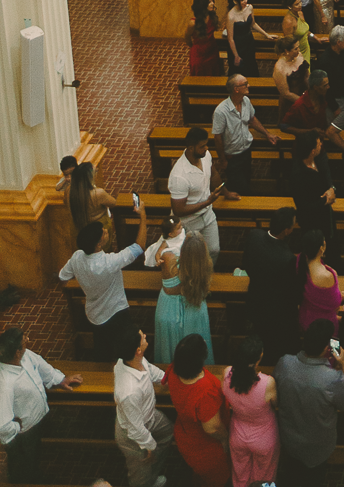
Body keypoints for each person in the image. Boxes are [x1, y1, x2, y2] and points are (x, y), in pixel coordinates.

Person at [58, 206, 147, 361]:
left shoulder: (77, 257)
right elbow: (139, 247)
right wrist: (143, 216)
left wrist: (87, 282)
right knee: (125, 350)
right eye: (104, 232)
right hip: (117, 312)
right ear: (98, 244)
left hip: (95, 314)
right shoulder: (109, 262)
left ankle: (103, 369)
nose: (106, 230)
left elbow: (63, 277)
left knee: (102, 349)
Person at [274, 318, 344, 486]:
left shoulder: (285, 363)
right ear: (327, 349)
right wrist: (343, 367)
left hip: (289, 439)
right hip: (318, 447)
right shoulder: (331, 378)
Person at [0, 326, 80, 483]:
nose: (28, 340)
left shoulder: (25, 355)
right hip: (25, 434)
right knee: (24, 465)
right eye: (25, 341)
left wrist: (60, 379)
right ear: (16, 352)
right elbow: (2, 426)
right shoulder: (5, 384)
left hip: (38, 418)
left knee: (36, 455)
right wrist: (19, 428)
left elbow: (42, 366)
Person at [164, 332, 229, 486]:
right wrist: (226, 439)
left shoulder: (174, 371)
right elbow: (212, 429)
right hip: (206, 449)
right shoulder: (205, 392)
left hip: (186, 433)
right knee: (217, 480)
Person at [113, 322, 172, 487]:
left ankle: (154, 473)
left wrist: (166, 379)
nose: (145, 336)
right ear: (138, 350)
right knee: (140, 471)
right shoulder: (128, 392)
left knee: (167, 433)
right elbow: (135, 427)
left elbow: (150, 370)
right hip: (133, 434)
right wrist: (149, 446)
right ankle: (148, 481)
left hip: (150, 416)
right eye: (142, 337)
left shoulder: (132, 359)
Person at [168, 125, 235, 263]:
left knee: (214, 250)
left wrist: (225, 192)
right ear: (191, 148)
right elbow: (178, 210)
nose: (207, 148)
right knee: (192, 257)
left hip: (208, 215)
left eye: (206, 145)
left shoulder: (205, 156)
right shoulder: (179, 176)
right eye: (202, 146)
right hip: (189, 222)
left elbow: (214, 174)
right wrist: (207, 202)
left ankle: (208, 274)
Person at [221, 333, 280, 487]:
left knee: (240, 475)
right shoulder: (267, 383)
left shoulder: (227, 374)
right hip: (264, 437)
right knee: (264, 478)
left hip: (238, 434)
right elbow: (276, 404)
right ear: (260, 357)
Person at [241, 209, 298, 364]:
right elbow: (291, 289)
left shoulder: (254, 236)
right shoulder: (287, 259)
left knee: (260, 335)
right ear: (286, 231)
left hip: (255, 300)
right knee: (274, 344)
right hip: (276, 310)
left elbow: (245, 263)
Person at [153, 228, 214, 365]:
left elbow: (158, 251)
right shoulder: (205, 266)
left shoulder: (168, 259)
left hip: (169, 311)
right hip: (194, 311)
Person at [211, 74, 277, 195]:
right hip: (232, 157)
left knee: (246, 180)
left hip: (246, 152)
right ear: (236, 89)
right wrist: (222, 159)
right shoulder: (221, 111)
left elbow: (252, 119)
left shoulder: (246, 101)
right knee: (243, 189)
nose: (249, 86)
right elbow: (217, 137)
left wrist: (267, 134)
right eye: (245, 84)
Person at [290, 132, 337, 250]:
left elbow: (327, 176)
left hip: (326, 215)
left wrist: (331, 188)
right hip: (311, 220)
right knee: (315, 248)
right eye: (318, 143)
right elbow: (303, 206)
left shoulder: (319, 159)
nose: (321, 144)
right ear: (312, 151)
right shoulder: (298, 174)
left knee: (331, 244)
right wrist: (325, 200)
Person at [296, 228, 343, 334]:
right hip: (325, 327)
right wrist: (341, 296)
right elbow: (335, 303)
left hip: (305, 319)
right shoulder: (327, 276)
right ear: (322, 248)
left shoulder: (300, 261)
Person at [225, 0, 273, 76]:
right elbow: (230, 38)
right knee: (239, 70)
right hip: (238, 46)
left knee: (251, 66)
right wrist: (236, 55)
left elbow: (253, 24)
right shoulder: (231, 16)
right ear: (235, 1)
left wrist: (266, 34)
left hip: (249, 42)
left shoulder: (250, 8)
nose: (245, 1)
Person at [67, 161, 117, 247]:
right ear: (89, 177)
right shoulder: (98, 193)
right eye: (95, 171)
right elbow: (114, 203)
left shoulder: (69, 192)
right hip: (98, 230)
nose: (97, 172)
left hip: (78, 228)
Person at [316, 23, 344, 111]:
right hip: (334, 100)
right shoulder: (325, 61)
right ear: (338, 42)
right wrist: (335, 107)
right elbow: (326, 88)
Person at [185, 0, 223, 77]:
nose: (212, 4)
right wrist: (194, 46)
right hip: (199, 54)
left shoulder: (212, 16)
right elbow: (187, 38)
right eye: (209, 2)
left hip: (212, 51)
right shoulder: (193, 23)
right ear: (202, 4)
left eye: (213, 1)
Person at [272, 35, 308, 119]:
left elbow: (306, 75)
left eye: (298, 47)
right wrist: (304, 102)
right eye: (295, 49)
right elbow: (286, 93)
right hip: (292, 102)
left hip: (304, 95)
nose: (298, 50)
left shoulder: (299, 56)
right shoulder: (280, 68)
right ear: (287, 51)